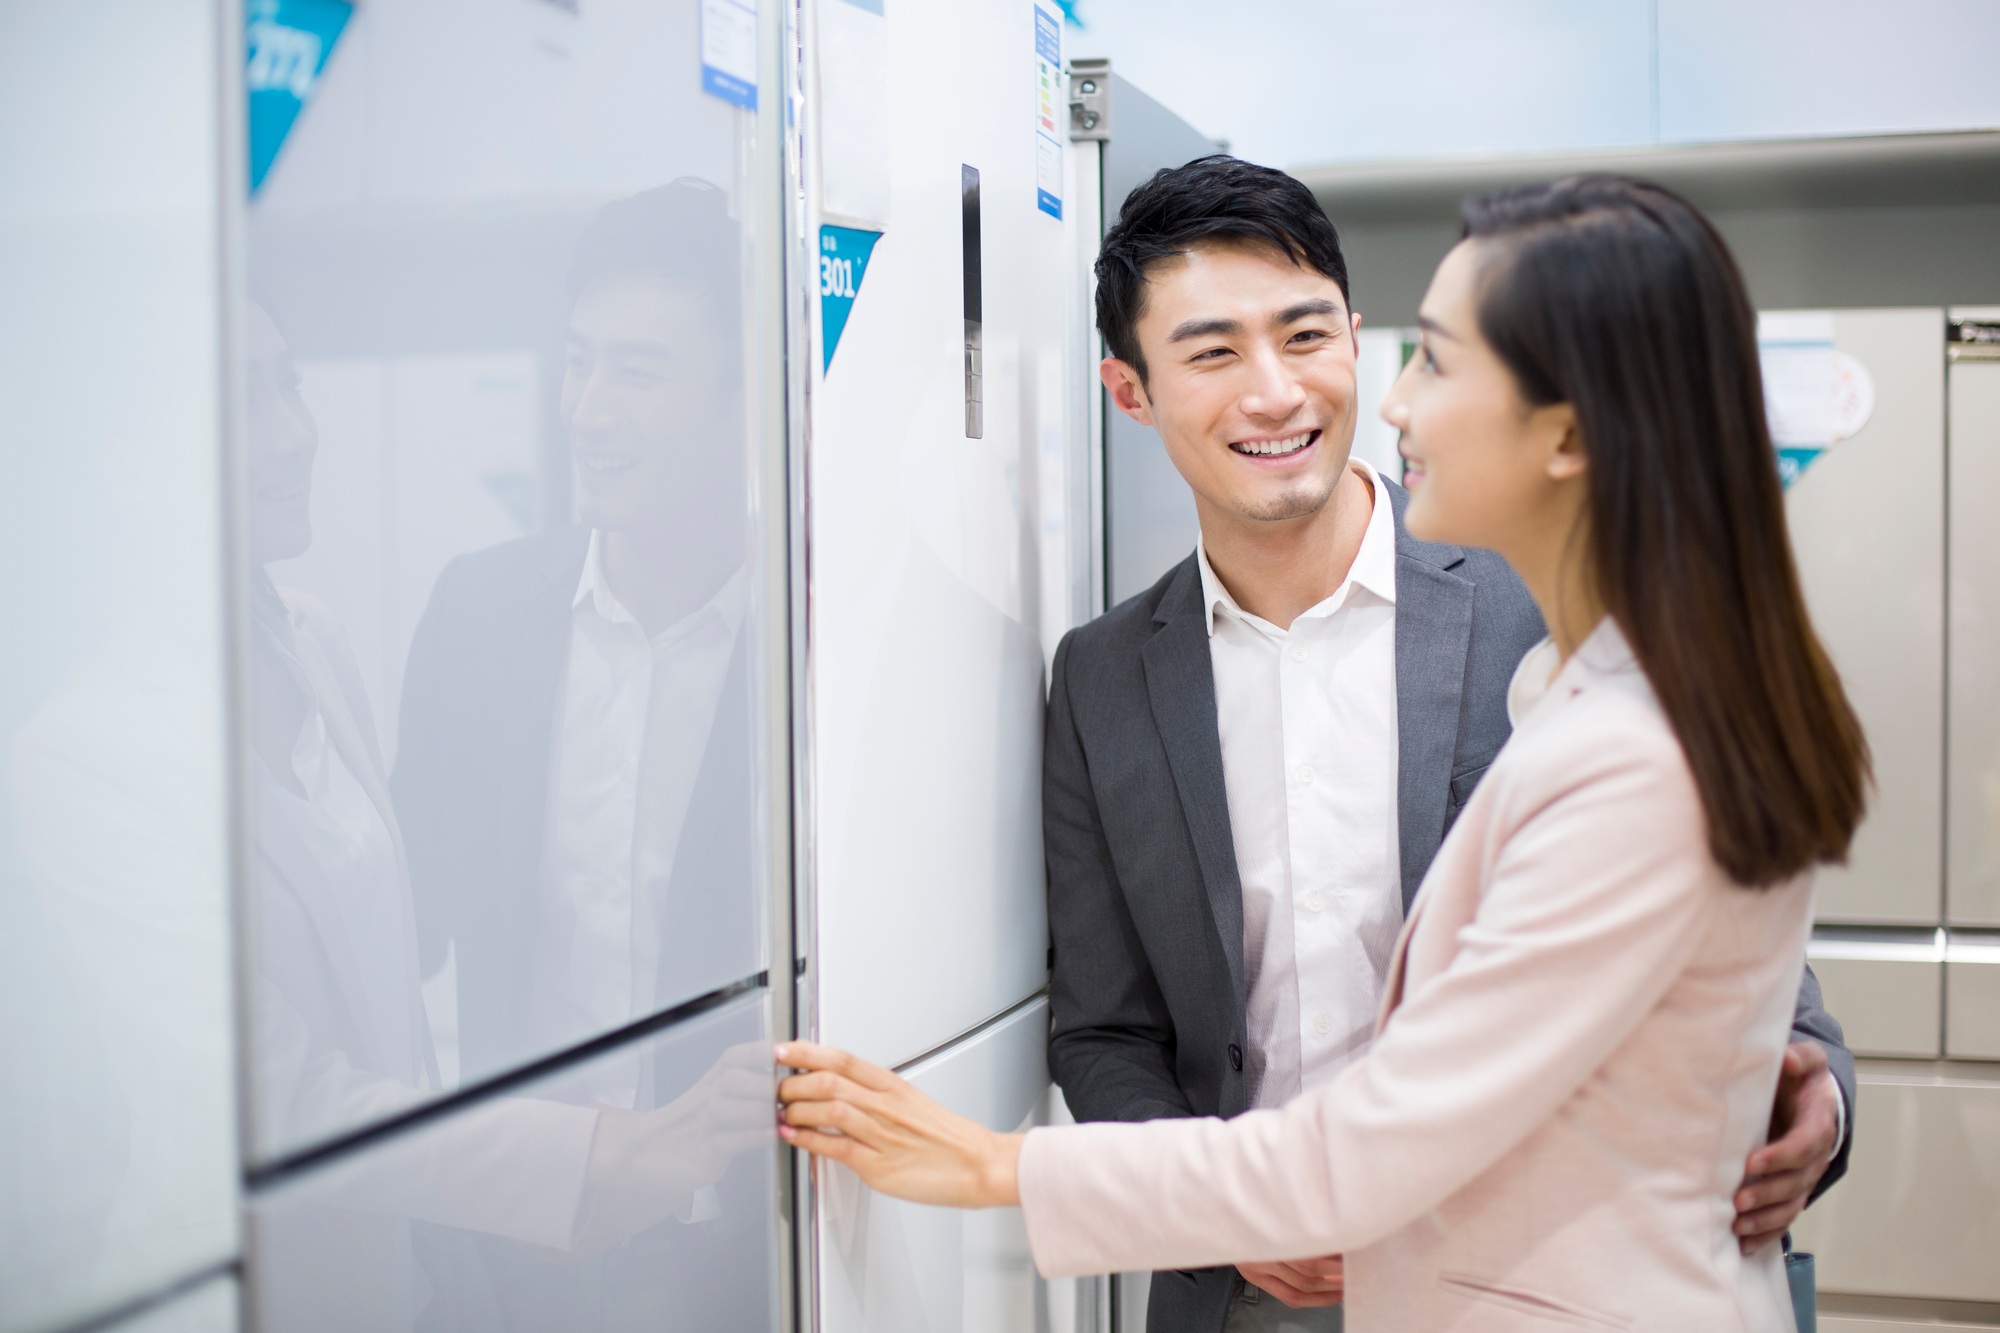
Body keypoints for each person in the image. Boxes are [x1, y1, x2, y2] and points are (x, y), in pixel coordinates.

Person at [776, 174, 1871, 1333]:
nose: (1294, 391)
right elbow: (1105, 1028)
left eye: (1322, 337)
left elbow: (1693, 990)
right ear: (1128, 392)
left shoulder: (1574, 663)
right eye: (1210, 353)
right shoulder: (1106, 677)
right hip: (1247, 1288)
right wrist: (1234, 1224)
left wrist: (986, 1166)